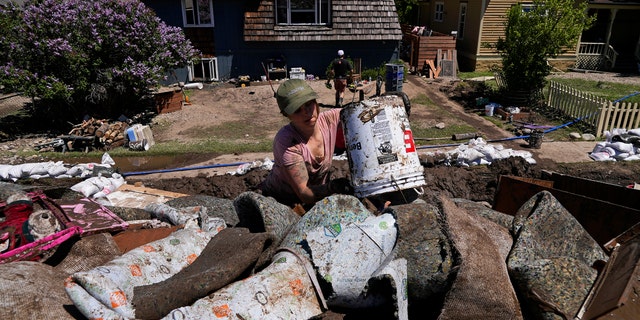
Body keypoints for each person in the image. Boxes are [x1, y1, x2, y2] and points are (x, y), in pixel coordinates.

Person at [261, 79, 353, 209]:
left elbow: (358, 114)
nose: (306, 112)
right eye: (298, 110)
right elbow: (304, 193)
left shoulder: (329, 120)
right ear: (286, 115)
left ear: (316, 103)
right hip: (281, 201)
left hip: (316, 197)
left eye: (309, 104)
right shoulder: (287, 143)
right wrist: (333, 187)